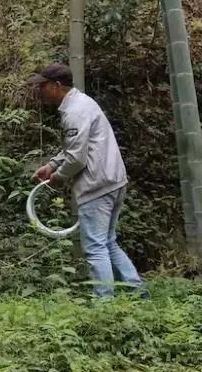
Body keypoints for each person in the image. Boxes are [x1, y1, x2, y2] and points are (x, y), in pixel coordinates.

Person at [29, 63, 146, 298]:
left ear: (57, 86)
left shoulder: (74, 112)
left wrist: (58, 178)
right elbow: (77, 147)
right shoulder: (83, 103)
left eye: (42, 86)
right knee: (108, 242)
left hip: (97, 185)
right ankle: (138, 293)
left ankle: (105, 305)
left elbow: (77, 159)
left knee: (94, 248)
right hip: (114, 180)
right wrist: (52, 165)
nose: (39, 91)